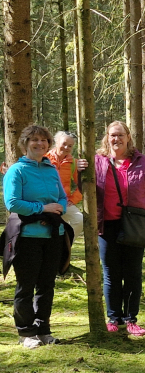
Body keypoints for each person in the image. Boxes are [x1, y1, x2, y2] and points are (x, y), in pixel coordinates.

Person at [2, 126, 71, 348]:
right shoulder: (17, 170)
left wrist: (56, 209)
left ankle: (43, 330)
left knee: (46, 285)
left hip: (52, 235)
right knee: (26, 286)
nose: (39, 144)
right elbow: (13, 202)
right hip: (27, 237)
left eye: (43, 140)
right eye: (34, 139)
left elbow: (62, 198)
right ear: (25, 143)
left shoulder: (51, 170)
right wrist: (42, 209)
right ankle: (26, 333)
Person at [95, 121, 145, 336]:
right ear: (107, 137)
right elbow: (82, 186)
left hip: (135, 224)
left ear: (128, 137)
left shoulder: (142, 163)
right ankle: (113, 318)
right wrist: (78, 170)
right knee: (111, 274)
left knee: (132, 273)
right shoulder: (98, 161)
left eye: (120, 135)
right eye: (112, 135)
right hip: (107, 225)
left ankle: (131, 319)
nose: (116, 139)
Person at [45, 131, 89, 236]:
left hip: (64, 202)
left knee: (79, 220)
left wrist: (73, 199)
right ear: (56, 142)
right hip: (45, 202)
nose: (66, 147)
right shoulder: (44, 159)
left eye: (70, 146)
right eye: (64, 144)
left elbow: (82, 185)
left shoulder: (74, 163)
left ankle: (65, 243)